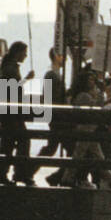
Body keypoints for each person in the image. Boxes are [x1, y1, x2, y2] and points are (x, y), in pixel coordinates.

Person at [0, 40, 37, 185]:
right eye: (24, 52)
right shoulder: (12, 68)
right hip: (12, 112)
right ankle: (20, 173)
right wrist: (26, 79)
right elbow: (13, 88)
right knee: (23, 140)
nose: (25, 56)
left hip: (6, 112)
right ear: (18, 52)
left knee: (7, 143)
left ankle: (1, 174)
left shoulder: (6, 66)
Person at [38, 48, 71, 184]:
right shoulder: (52, 75)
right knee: (68, 148)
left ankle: (56, 176)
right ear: (56, 56)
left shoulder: (54, 74)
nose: (65, 59)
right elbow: (49, 97)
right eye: (63, 56)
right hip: (57, 117)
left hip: (56, 117)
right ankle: (27, 171)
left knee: (54, 147)